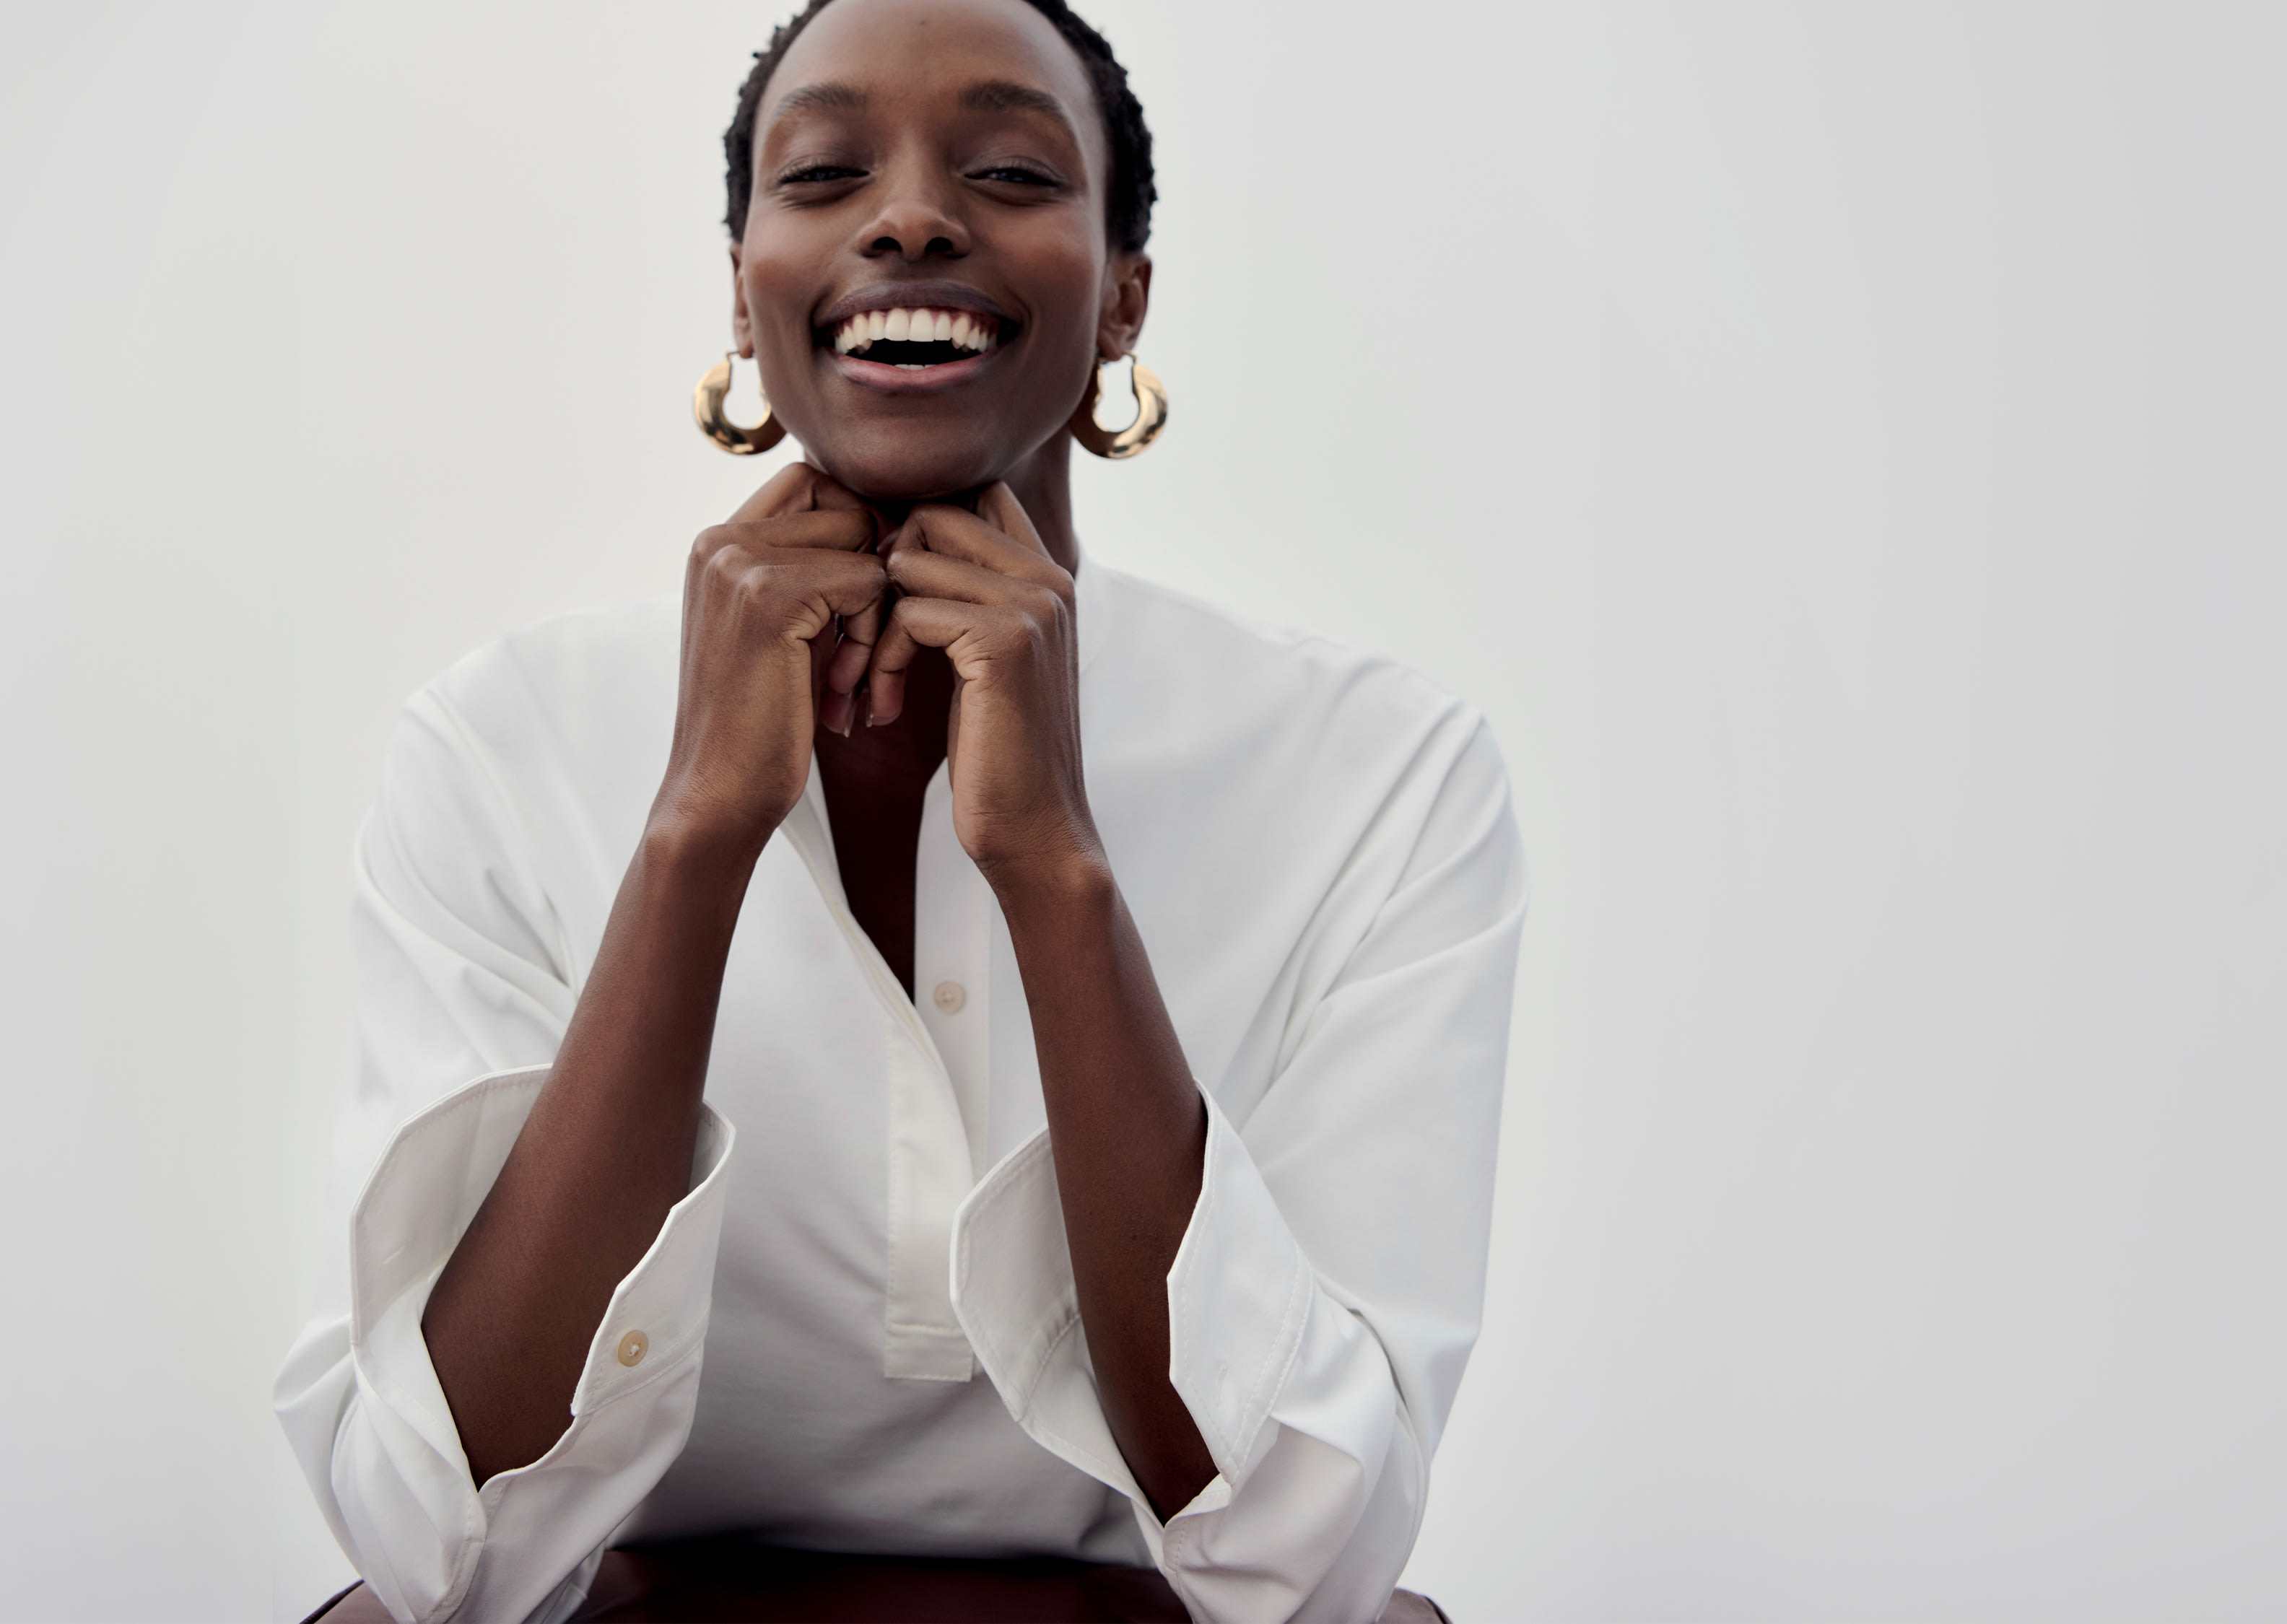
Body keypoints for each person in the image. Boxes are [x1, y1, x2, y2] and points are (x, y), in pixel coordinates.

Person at [269, 2, 1523, 1619]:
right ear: (744, 284)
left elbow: (1309, 1557)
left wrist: (1052, 867)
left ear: (1125, 294)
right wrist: (693, 842)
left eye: (1008, 167)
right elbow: (436, 1547)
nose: (911, 213)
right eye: (823, 173)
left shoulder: (1385, 774)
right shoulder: (497, 744)